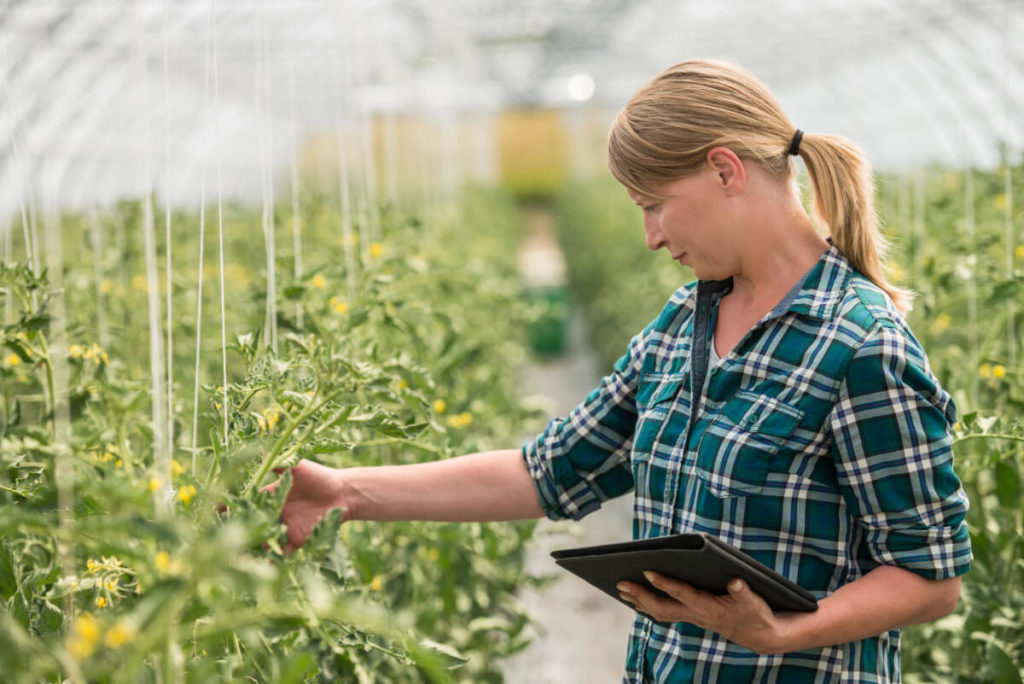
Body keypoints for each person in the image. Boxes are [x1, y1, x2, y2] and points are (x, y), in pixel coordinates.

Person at [268, 59, 972, 682]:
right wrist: (343, 492)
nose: (652, 236)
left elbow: (929, 576)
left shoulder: (859, 345)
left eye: (654, 204)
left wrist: (784, 633)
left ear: (726, 170)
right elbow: (549, 469)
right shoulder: (681, 326)